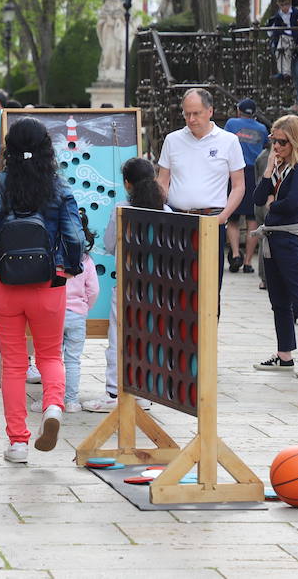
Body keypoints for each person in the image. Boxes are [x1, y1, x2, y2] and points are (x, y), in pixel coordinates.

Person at [0, 117, 84, 463]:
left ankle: (18, 442)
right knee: (50, 355)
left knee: (14, 363)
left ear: (8, 150)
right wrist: (69, 267)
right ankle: (53, 407)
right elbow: (74, 236)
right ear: (47, 149)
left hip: (5, 283)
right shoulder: (59, 188)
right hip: (49, 283)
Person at [250, 115, 298, 378]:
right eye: (273, 141)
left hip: (292, 240)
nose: (277, 147)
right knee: (279, 301)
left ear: (294, 141)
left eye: (282, 142)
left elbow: (292, 205)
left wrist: (274, 202)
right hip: (273, 239)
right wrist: (269, 171)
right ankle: (284, 355)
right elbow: (259, 198)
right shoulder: (279, 168)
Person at [86, 158, 166, 412]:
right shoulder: (167, 211)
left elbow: (110, 244)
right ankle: (144, 393)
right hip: (158, 287)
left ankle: (113, 392)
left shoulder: (121, 208)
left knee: (119, 336)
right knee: (150, 337)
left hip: (129, 283)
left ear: (127, 183)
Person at [156, 88, 245, 292]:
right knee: (175, 282)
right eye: (187, 113)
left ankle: (211, 324)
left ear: (210, 111)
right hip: (177, 218)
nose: (191, 119)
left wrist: (223, 216)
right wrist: (160, 211)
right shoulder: (172, 140)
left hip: (212, 218)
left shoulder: (229, 141)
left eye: (197, 113)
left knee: (210, 285)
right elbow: (162, 181)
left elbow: (239, 185)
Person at [223, 98, 268, 273]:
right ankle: (248, 262)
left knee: (232, 218)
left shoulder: (232, 123)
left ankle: (235, 254)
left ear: (238, 110)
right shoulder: (262, 129)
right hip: (254, 173)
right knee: (252, 220)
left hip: (235, 172)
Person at [62, 209, 100, 413]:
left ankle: (52, 399)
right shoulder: (86, 261)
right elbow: (93, 290)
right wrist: (85, 306)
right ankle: (72, 400)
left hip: (54, 314)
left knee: (52, 358)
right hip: (77, 315)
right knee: (73, 359)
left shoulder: (54, 256)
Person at [265, 0, 298, 82]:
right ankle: (284, 73)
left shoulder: (296, 13)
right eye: (282, 5)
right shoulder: (277, 16)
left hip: (292, 39)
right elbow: (271, 32)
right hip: (282, 39)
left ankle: (285, 73)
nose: (285, 7)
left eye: (286, 4)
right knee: (280, 52)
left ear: (290, 2)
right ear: (278, 4)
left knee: (284, 50)